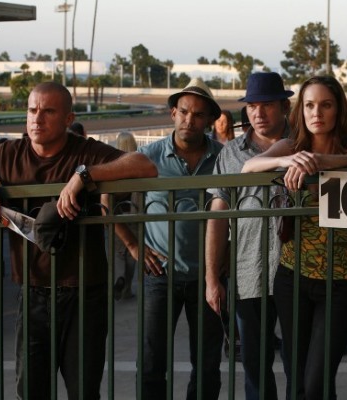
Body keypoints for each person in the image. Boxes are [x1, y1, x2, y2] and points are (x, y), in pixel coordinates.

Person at [0, 81, 157, 400]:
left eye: (48, 111)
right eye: (31, 110)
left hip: (86, 292)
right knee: (30, 389)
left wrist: (83, 176)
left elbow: (145, 166)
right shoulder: (8, 154)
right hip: (33, 291)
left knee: (83, 391)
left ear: (68, 119)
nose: (36, 119)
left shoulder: (84, 150)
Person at [242, 75, 347, 399]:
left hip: (340, 281)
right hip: (292, 278)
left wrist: (318, 163)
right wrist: (288, 159)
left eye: (326, 105)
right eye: (310, 105)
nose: (317, 113)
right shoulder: (292, 145)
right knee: (298, 378)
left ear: (338, 109)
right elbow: (250, 166)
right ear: (300, 110)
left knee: (316, 381)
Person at [114, 78, 224, 400]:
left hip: (209, 276)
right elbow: (107, 198)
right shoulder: (149, 156)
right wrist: (134, 245)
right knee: (151, 363)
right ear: (173, 113)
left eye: (199, 115)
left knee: (206, 365)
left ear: (208, 120)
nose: (191, 120)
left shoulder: (222, 157)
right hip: (159, 274)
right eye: (185, 112)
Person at [206, 71, 293, 400]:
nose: (258, 112)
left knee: (299, 361)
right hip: (248, 272)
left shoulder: (306, 142)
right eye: (252, 105)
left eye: (267, 104)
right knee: (255, 365)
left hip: (298, 271)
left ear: (284, 106)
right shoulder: (231, 153)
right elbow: (217, 214)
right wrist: (212, 277)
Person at [111, 130, 139, 300]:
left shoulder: (114, 163)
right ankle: (127, 287)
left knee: (119, 251)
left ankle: (118, 277)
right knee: (133, 251)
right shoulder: (139, 161)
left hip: (118, 213)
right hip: (136, 213)